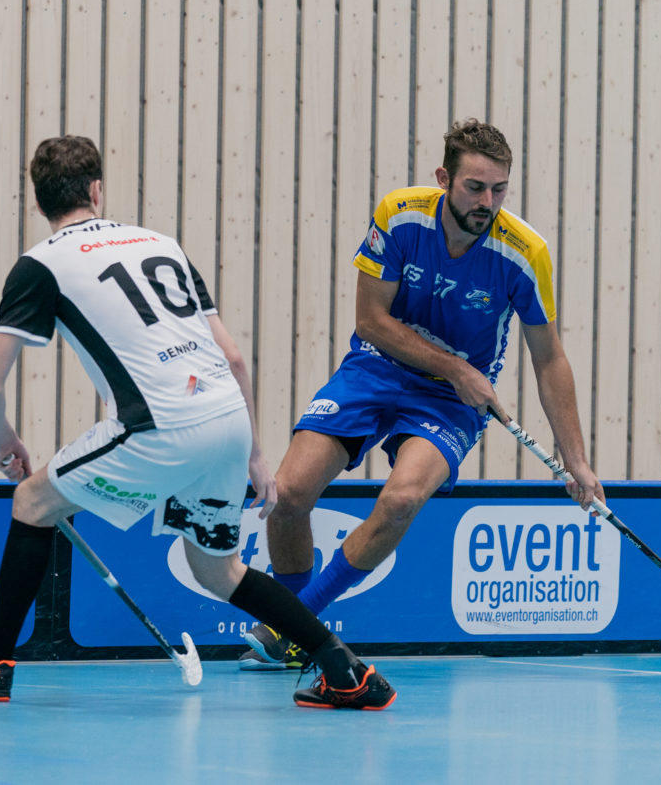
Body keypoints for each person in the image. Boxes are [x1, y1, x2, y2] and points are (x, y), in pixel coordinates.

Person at [0, 135, 394, 710]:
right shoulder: (160, 243)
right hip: (225, 419)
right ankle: (344, 668)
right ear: (97, 190)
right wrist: (252, 455)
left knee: (30, 501)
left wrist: (7, 444)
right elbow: (234, 356)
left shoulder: (40, 266)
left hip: (159, 424)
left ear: (39, 203)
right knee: (219, 573)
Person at [240, 119, 605, 669]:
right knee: (288, 496)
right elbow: (369, 321)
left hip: (450, 403)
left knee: (403, 498)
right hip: (376, 368)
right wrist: (455, 365)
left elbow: (549, 357)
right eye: (475, 187)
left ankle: (294, 630)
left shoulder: (525, 253)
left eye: (500, 189)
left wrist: (577, 461)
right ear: (444, 178)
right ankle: (293, 624)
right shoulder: (400, 215)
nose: (488, 202)